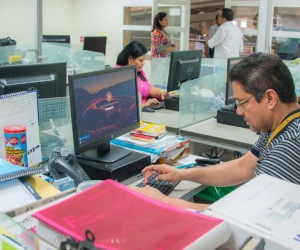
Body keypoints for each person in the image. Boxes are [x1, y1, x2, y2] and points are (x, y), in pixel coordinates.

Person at [131, 52, 300, 210]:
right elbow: (243, 166)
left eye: (243, 103)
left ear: (270, 98)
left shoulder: (288, 147)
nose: (239, 111)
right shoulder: (282, 125)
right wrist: (180, 174)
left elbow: (248, 218)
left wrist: (164, 201)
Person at [116, 41, 173, 107]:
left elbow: (149, 88)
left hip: (144, 111)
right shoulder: (119, 74)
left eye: (144, 60)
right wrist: (144, 105)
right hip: (134, 113)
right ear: (130, 59)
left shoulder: (138, 71)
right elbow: (122, 104)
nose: (143, 63)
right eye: (140, 60)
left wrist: (161, 94)